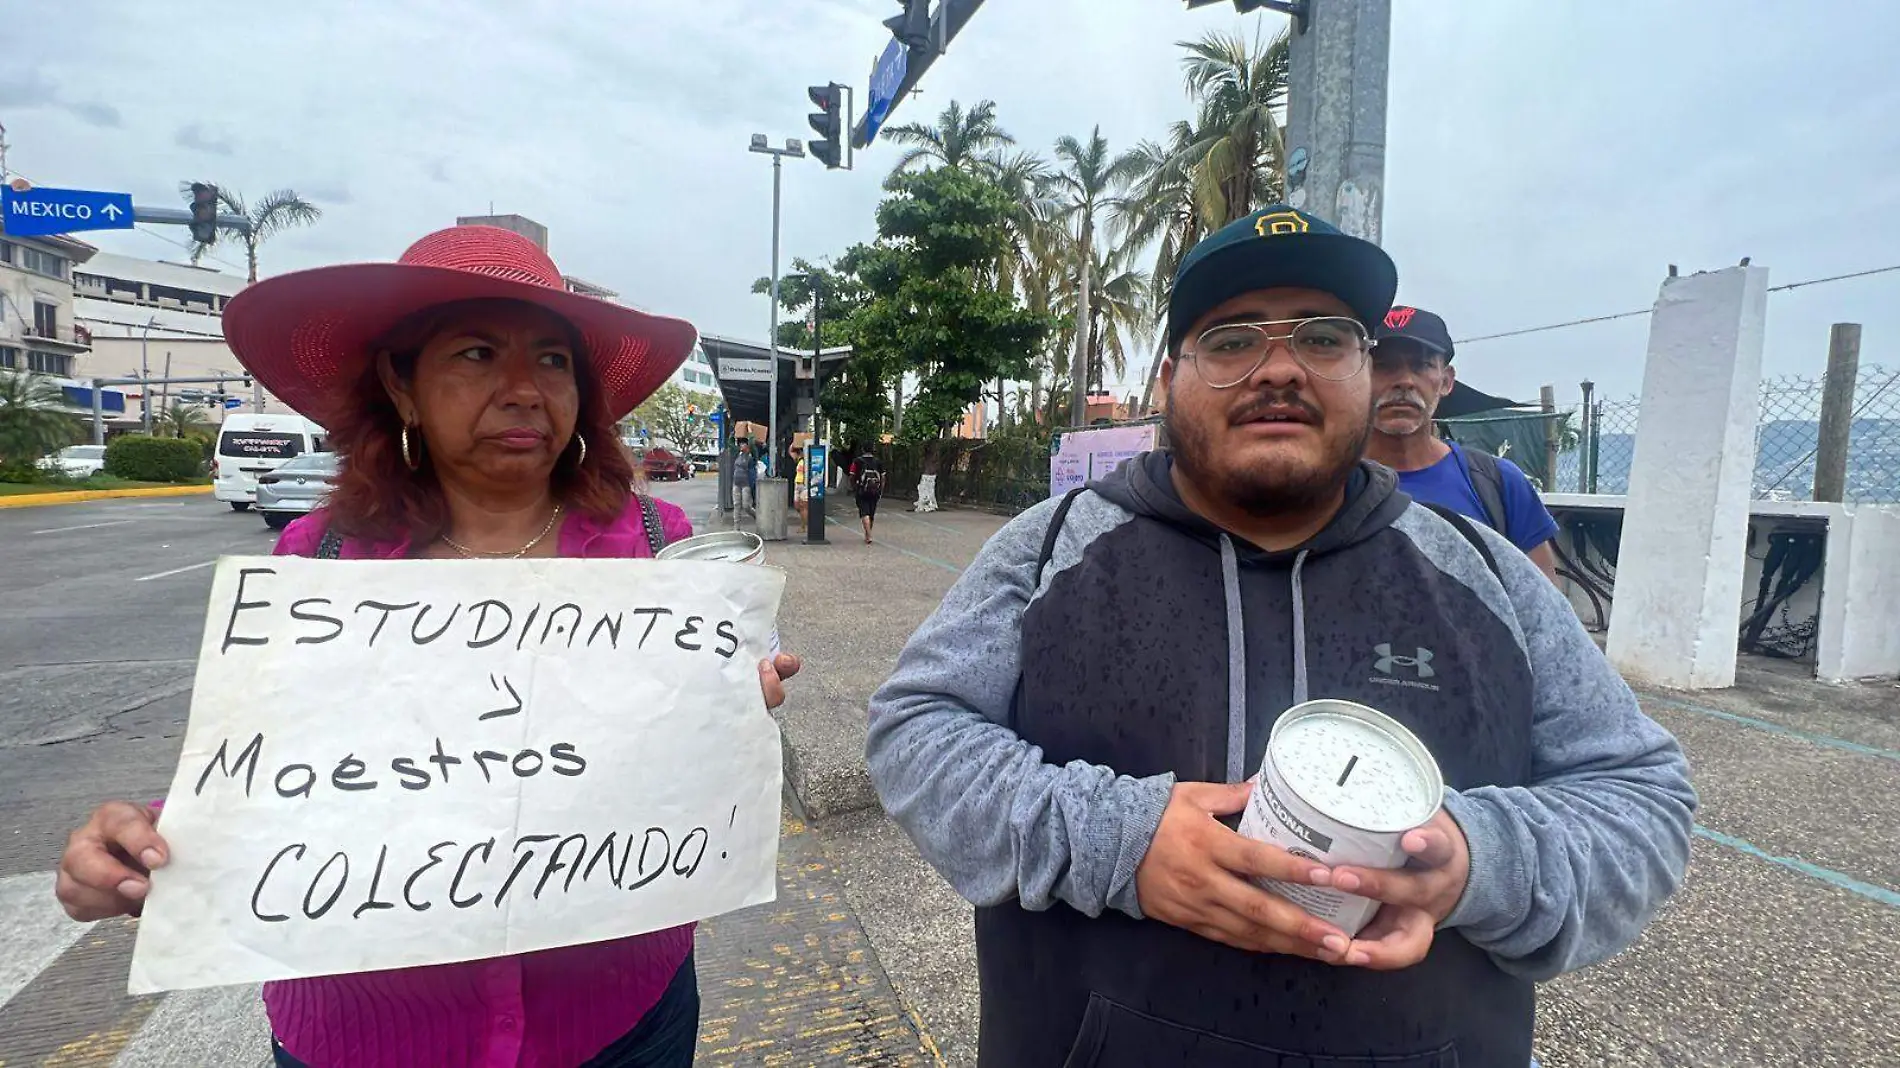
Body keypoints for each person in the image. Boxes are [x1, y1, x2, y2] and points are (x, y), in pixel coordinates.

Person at [866, 206, 1694, 1067]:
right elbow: (915, 729)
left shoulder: (1484, 573)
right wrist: (1123, 840)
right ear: (1166, 381)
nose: (1280, 370)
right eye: (1231, 342)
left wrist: (1474, 863)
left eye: (1324, 338)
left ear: (1368, 372)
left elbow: (1640, 796)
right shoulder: (1050, 548)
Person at [54, 225, 802, 1068]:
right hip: (368, 1034)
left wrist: (741, 706)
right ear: (400, 385)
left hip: (625, 1019)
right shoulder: (321, 560)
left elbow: (695, 747)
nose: (524, 389)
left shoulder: (658, 545)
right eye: (477, 354)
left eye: (553, 360)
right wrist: (142, 846)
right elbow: (269, 772)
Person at [1368, 306, 1562, 582]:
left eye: (1421, 365)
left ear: (1446, 381)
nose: (1404, 381)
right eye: (1383, 365)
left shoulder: (1498, 484)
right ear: (1357, 375)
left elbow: (1545, 612)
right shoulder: (1326, 486)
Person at [848, 445, 885, 545]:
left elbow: (851, 475)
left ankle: (868, 535)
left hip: (861, 490)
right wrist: (881, 489)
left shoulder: (857, 461)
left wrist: (854, 487)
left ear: (862, 449)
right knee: (871, 513)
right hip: (875, 491)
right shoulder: (878, 462)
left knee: (864, 512)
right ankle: (868, 534)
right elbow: (883, 477)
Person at [790, 443, 809, 527]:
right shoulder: (799, 460)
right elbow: (790, 451)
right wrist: (795, 442)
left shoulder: (807, 461)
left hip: (804, 485)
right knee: (797, 506)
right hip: (797, 484)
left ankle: (803, 525)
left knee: (803, 506)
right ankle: (805, 520)